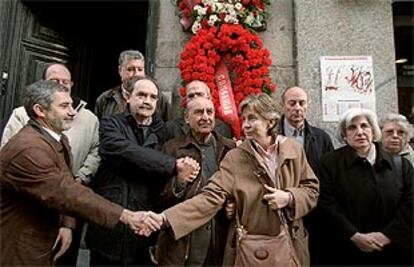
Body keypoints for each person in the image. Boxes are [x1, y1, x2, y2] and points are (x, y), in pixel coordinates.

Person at [0, 80, 161, 266]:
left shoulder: (56, 140)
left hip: (39, 241)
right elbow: (66, 192)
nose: (73, 112)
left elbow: (65, 184)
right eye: (64, 106)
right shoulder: (29, 149)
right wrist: (126, 216)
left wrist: (67, 225)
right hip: (17, 246)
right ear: (40, 110)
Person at [148, 93, 319, 266]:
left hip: (291, 243)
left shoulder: (294, 150)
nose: (245, 125)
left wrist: (289, 197)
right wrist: (166, 218)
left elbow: (311, 189)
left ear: (270, 121)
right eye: (243, 119)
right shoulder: (235, 157)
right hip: (252, 249)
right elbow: (209, 198)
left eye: (252, 118)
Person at [85, 76, 200, 266]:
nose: (147, 101)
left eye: (152, 97)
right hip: (110, 225)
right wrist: (173, 164)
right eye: (141, 95)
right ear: (128, 97)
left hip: (146, 230)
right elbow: (124, 151)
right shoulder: (110, 123)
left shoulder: (165, 132)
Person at [0, 63, 101, 266]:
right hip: (28, 214)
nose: (62, 85)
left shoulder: (86, 120)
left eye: (66, 82)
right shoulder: (24, 127)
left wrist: (81, 177)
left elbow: (94, 152)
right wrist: (125, 216)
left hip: (68, 202)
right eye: (56, 81)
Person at [318, 108, 413, 265]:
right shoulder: (329, 164)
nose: (360, 132)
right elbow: (326, 203)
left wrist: (387, 235)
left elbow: (410, 204)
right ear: (344, 134)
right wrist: (354, 235)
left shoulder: (401, 165)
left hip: (393, 250)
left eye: (364, 126)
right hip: (346, 250)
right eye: (352, 127)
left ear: (373, 130)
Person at [157, 97, 235, 266]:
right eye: (199, 112)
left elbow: (241, 187)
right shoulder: (171, 148)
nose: (205, 117)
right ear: (186, 118)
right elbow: (158, 197)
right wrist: (179, 182)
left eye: (210, 112)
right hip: (185, 242)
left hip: (221, 237)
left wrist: (234, 203)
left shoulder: (230, 149)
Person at [278, 86, 333, 265]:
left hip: (314, 211)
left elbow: (329, 176)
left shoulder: (322, 138)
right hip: (281, 209)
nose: (297, 108)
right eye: (292, 103)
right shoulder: (271, 135)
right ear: (282, 106)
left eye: (302, 103)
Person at [94, 49, 169, 121]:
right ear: (120, 70)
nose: (136, 74)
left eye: (140, 69)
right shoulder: (105, 99)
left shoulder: (160, 99)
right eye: (130, 69)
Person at [164, 80, 232, 140]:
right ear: (186, 100)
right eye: (191, 96)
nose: (195, 98)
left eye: (199, 94)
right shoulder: (171, 128)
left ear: (209, 97)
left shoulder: (223, 128)